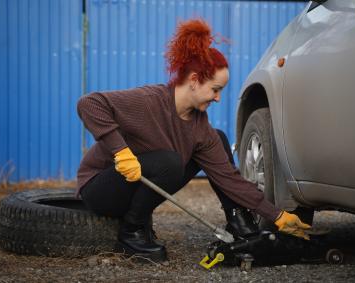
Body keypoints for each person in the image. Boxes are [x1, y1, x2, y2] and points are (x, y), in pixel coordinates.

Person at [76, 18, 310, 262]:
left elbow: (229, 179)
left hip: (139, 180)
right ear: (195, 80)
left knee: (217, 139)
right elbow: (89, 103)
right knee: (169, 162)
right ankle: (131, 232)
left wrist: (278, 216)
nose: (218, 98)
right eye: (215, 89)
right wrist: (121, 151)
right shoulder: (148, 101)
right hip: (99, 187)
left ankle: (238, 221)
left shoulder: (200, 128)